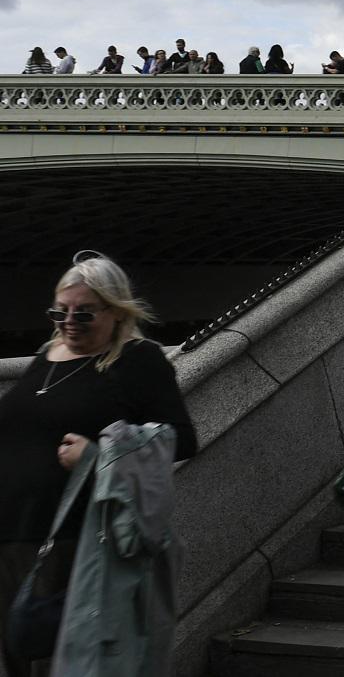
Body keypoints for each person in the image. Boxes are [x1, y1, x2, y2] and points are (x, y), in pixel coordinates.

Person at [0, 253, 199, 677]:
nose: (68, 322)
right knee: (16, 653)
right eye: (60, 311)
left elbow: (181, 439)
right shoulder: (47, 354)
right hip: (10, 535)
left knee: (58, 661)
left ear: (115, 310)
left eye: (84, 313)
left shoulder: (139, 359)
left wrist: (97, 455)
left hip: (73, 539)